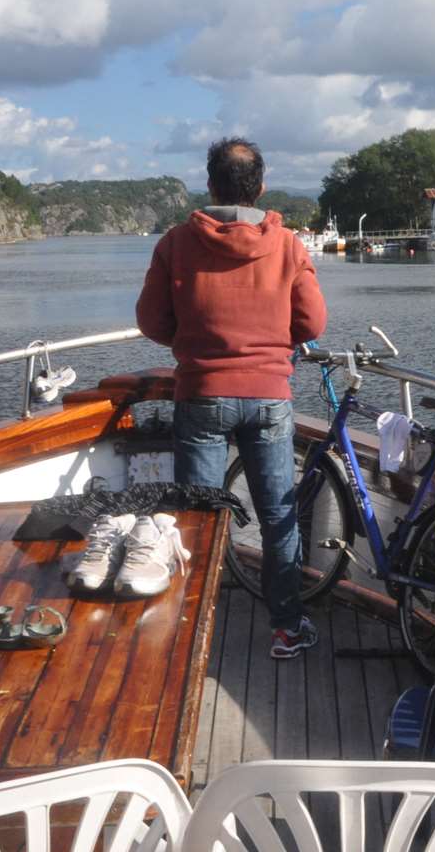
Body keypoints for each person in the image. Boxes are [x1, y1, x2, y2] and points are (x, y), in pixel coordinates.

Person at [136, 137, 327, 659]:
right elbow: (312, 323)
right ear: (260, 188)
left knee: (200, 518)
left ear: (210, 185)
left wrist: (194, 343)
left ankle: (195, 632)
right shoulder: (287, 244)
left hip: (201, 394)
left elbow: (151, 321)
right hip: (269, 397)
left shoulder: (176, 243)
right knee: (277, 518)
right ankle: (286, 629)